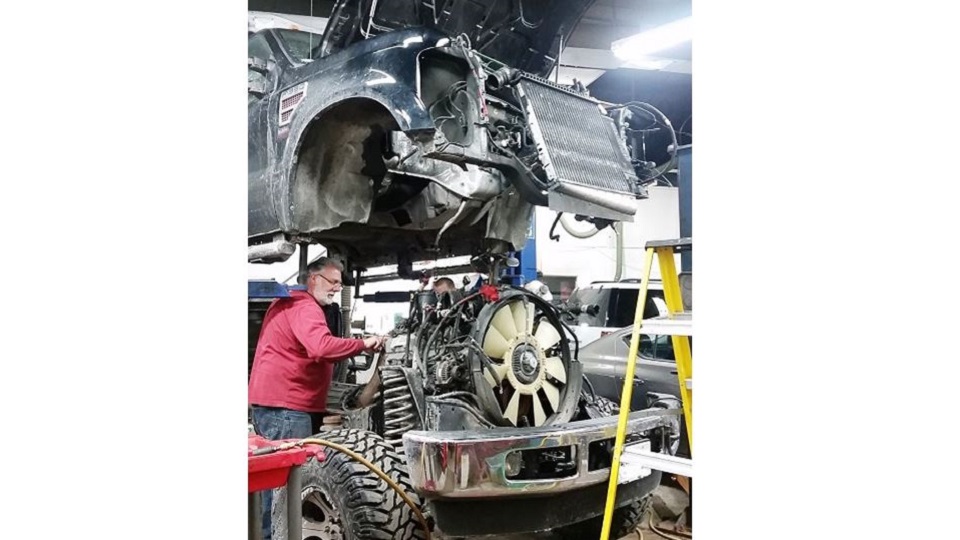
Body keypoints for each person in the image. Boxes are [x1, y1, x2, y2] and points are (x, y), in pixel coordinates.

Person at [249, 257, 385, 540]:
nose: (336, 288)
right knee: (286, 489)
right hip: (287, 409)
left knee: (271, 486)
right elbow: (320, 347)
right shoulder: (304, 306)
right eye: (332, 281)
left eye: (339, 283)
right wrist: (363, 344)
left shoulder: (289, 302)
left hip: (277, 406)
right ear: (313, 279)